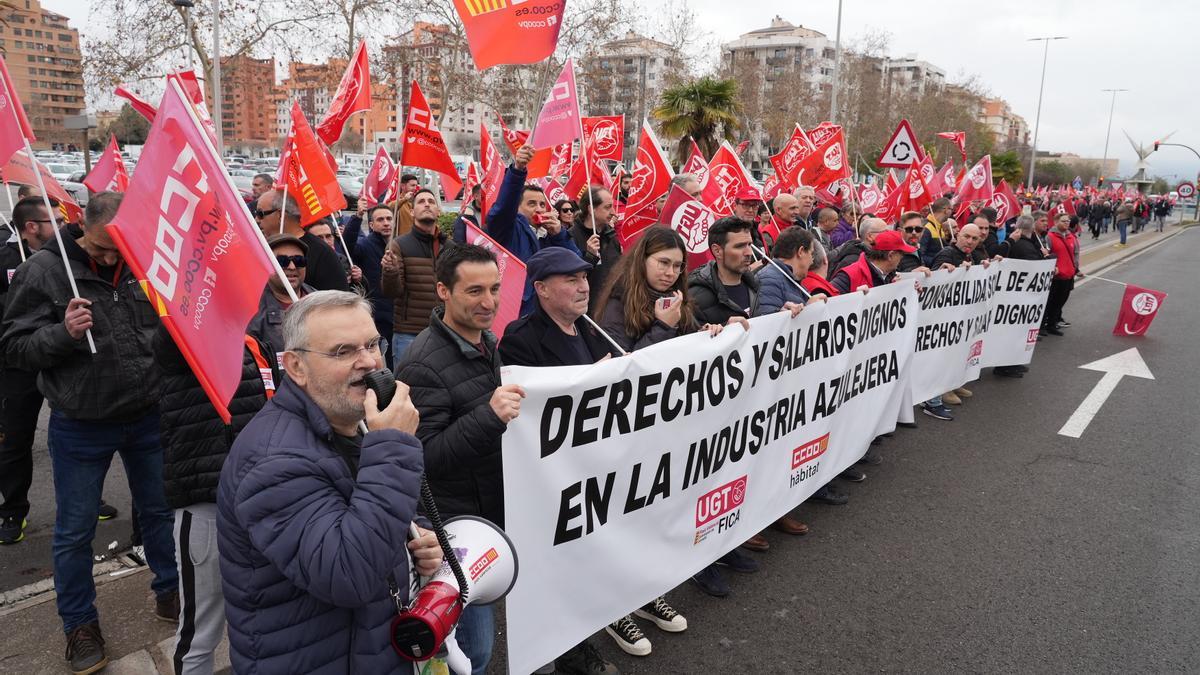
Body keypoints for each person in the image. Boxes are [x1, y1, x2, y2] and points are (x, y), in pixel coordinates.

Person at [218, 290, 443, 674]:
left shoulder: (348, 418)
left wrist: (415, 538)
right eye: (343, 351)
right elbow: (347, 574)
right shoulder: (272, 462)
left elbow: (366, 512)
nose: (369, 362)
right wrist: (393, 447)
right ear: (296, 366)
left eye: (373, 343)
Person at [0, 192, 179, 674]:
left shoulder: (143, 258)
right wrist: (63, 333)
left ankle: (170, 592)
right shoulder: (44, 269)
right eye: (100, 248)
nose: (109, 258)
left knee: (161, 513)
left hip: (146, 412)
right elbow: (13, 346)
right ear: (82, 226)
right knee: (75, 531)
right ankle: (79, 624)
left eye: (118, 249)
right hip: (81, 423)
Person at [395, 244, 527, 675]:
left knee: (473, 652)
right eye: (474, 291)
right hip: (452, 530)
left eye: (494, 289)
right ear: (443, 292)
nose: (488, 302)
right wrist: (489, 417)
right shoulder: (423, 365)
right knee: (472, 650)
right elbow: (425, 458)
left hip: (482, 514)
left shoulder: (487, 340)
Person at [592, 228, 723, 650]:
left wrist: (720, 330)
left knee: (652, 518)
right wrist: (664, 327)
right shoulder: (616, 305)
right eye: (662, 263)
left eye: (677, 266)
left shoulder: (678, 303)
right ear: (642, 259)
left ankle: (646, 594)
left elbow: (694, 341)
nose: (670, 273)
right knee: (624, 521)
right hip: (627, 437)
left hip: (666, 435)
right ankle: (614, 608)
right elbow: (628, 370)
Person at [497, 249, 623, 675]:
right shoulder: (520, 338)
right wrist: (588, 383)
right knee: (554, 570)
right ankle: (562, 654)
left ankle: (582, 637)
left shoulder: (591, 329)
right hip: (549, 479)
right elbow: (529, 407)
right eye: (569, 279)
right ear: (541, 289)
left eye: (584, 277)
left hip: (591, 468)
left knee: (586, 564)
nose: (583, 286)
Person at [155, 324, 273, 675]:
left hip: (261, 505)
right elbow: (168, 341)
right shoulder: (181, 338)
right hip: (208, 509)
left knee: (262, 623)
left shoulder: (253, 343)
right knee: (200, 631)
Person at [0, 197, 59, 544]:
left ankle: (88, 498)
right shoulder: (5, 255)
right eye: (53, 221)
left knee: (71, 436)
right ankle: (13, 509)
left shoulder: (65, 256)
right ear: (32, 227)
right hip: (17, 366)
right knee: (15, 439)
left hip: (59, 357)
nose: (61, 227)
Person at [486, 145, 582, 314]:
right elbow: (503, 208)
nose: (538, 209)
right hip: (516, 311)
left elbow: (575, 264)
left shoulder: (550, 235)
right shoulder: (510, 230)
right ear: (517, 208)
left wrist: (559, 235)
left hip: (547, 312)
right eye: (531, 204)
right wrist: (518, 171)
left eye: (542, 204)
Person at [381, 188, 448, 359]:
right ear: (412, 212)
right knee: (406, 385)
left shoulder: (450, 247)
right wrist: (391, 272)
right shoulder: (399, 245)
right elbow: (391, 292)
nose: (427, 204)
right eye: (421, 201)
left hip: (445, 331)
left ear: (438, 211)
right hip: (409, 334)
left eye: (431, 201)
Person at [254, 190, 349, 292]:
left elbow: (336, 301)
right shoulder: (263, 247)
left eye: (260, 214)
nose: (256, 219)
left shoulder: (321, 253)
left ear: (280, 215)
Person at [246, 234, 315, 367]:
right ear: (265, 264)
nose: (292, 267)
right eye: (282, 261)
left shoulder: (322, 302)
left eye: (299, 260)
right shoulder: (251, 312)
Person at [342, 203, 395, 366]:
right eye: (380, 220)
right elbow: (348, 246)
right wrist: (357, 217)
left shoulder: (399, 244)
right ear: (371, 225)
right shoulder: (365, 245)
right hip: (376, 313)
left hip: (397, 313)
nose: (386, 223)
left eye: (389, 219)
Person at [688, 217, 760, 325]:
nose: (749, 252)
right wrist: (725, 330)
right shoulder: (696, 299)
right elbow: (692, 339)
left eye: (749, 244)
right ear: (717, 251)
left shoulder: (756, 285)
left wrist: (780, 316)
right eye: (740, 246)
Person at [569, 186, 620, 313]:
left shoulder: (611, 236)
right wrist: (589, 257)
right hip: (586, 311)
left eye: (613, 206)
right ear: (591, 209)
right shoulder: (571, 237)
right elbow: (571, 279)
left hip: (611, 308)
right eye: (608, 207)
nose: (613, 212)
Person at [829, 229, 913, 294]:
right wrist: (854, 298)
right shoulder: (849, 275)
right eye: (902, 254)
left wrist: (910, 291)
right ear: (890, 255)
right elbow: (829, 304)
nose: (902, 258)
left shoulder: (892, 276)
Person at [756, 226, 814, 313]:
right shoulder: (769, 279)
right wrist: (809, 308)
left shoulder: (791, 280)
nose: (812, 261)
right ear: (801, 251)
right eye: (811, 254)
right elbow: (766, 321)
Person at [1044, 211, 1080, 336]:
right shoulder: (1050, 237)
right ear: (1055, 222)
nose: (1066, 223)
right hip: (1056, 277)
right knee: (1051, 302)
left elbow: (1075, 254)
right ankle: (1046, 325)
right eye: (1063, 221)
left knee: (1060, 303)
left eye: (1068, 221)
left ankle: (1053, 324)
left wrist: (1076, 268)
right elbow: (1046, 255)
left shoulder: (1071, 237)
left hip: (1068, 276)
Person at [918, 198, 953, 266]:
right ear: (946, 210)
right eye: (951, 209)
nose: (952, 212)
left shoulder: (939, 226)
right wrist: (937, 262)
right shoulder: (926, 227)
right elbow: (920, 255)